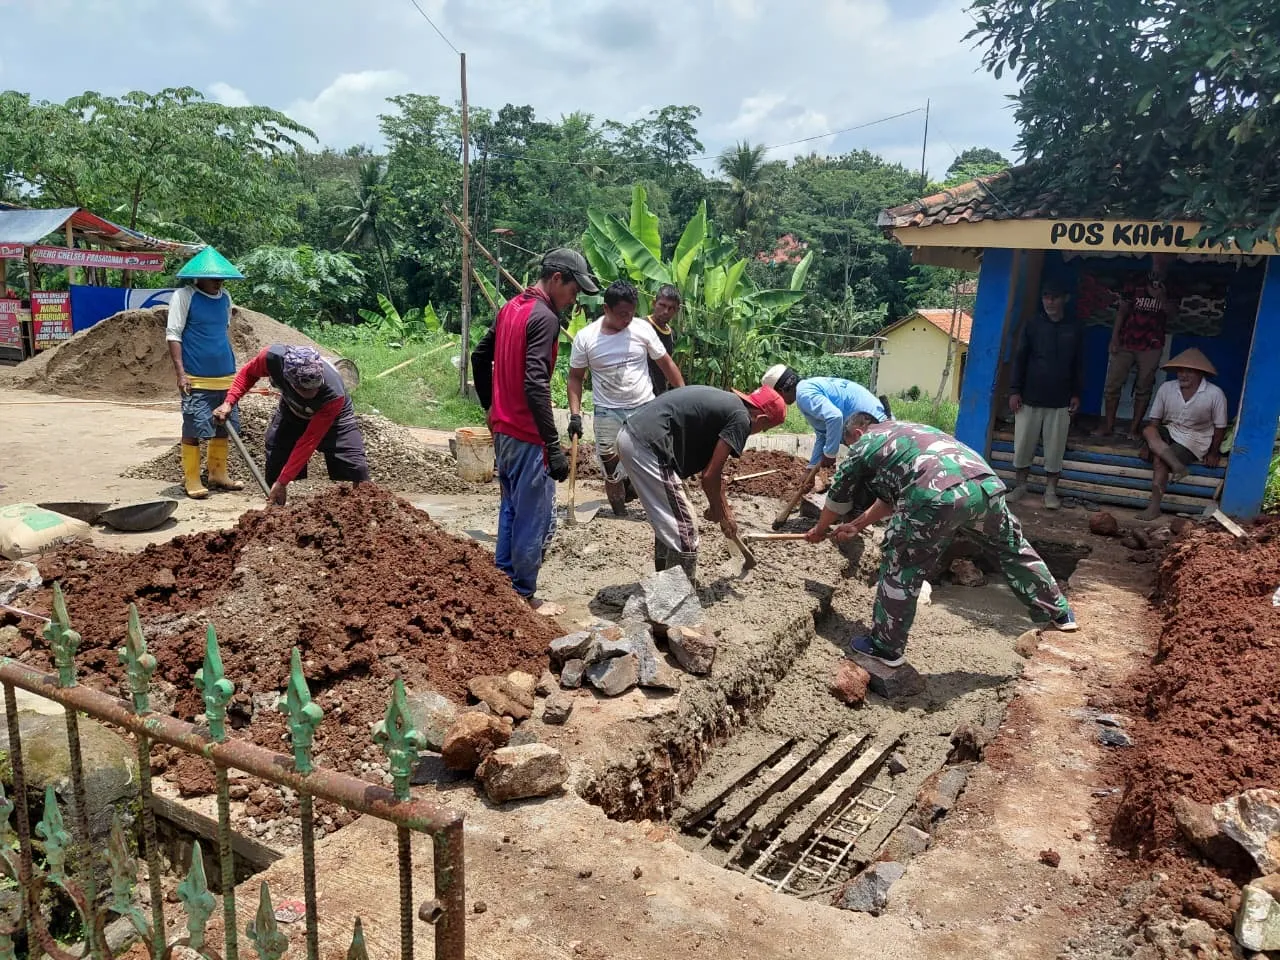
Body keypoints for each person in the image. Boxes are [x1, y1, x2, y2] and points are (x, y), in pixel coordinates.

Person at [804, 416, 1077, 668]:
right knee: (1012, 549)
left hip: (937, 496)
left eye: (847, 441)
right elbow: (889, 498)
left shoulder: (864, 444)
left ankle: (885, 647)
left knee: (901, 563)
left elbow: (837, 498)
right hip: (984, 487)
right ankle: (1059, 613)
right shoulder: (908, 431)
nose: (849, 447)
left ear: (858, 432)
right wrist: (857, 525)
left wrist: (819, 529)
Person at [472, 248, 598, 613]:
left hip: (504, 432)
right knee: (534, 518)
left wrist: (489, 407)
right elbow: (535, 384)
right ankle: (523, 595)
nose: (574, 301)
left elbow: (480, 357)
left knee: (511, 509)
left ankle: (504, 587)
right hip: (528, 435)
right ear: (557, 279)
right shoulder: (544, 318)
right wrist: (553, 445)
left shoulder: (511, 308)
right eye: (574, 291)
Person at [616, 384, 788, 579]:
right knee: (685, 530)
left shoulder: (729, 406)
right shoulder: (742, 419)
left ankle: (663, 585)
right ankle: (675, 603)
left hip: (635, 436)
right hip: (647, 446)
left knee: (672, 519)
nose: (759, 432)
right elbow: (709, 477)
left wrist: (719, 508)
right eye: (764, 429)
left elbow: (713, 473)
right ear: (762, 418)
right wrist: (723, 512)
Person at [567, 280, 685, 515]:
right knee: (611, 469)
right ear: (606, 309)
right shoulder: (586, 337)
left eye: (631, 314)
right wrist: (575, 415)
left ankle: (659, 512)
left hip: (643, 407)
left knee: (655, 463)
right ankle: (620, 515)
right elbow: (575, 378)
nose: (627, 320)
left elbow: (666, 364)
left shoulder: (642, 329)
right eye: (622, 314)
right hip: (607, 412)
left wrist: (683, 395)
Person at [213, 345, 369, 505]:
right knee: (276, 457)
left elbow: (308, 441)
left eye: (316, 388)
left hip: (336, 417)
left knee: (357, 466)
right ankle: (276, 510)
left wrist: (283, 481)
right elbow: (248, 373)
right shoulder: (272, 359)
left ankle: (362, 511)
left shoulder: (333, 395)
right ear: (289, 379)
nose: (312, 394)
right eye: (306, 390)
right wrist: (229, 402)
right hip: (292, 410)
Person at [166, 247, 246, 499]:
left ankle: (217, 473)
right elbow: (173, 334)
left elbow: (223, 330)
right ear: (198, 278)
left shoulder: (225, 298)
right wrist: (181, 373)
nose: (218, 283)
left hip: (225, 374)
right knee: (193, 426)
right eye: (213, 279)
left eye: (221, 279)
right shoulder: (184, 296)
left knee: (225, 425)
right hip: (196, 375)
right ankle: (191, 478)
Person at [1007, 277, 1085, 510]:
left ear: (1065, 299)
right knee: (1023, 446)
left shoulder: (1075, 328)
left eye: (1054, 297)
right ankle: (1020, 486)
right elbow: (1019, 359)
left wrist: (1076, 393)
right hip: (1029, 397)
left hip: (1060, 400)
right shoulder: (1032, 325)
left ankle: (1051, 491)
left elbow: (1079, 364)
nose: (1049, 302)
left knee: (1055, 449)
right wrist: (1014, 390)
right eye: (1046, 297)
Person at [1136, 348, 1228, 521]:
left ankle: (1154, 507)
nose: (1182, 375)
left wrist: (1213, 453)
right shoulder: (1166, 388)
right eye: (1180, 370)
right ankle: (1178, 467)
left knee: (1160, 460)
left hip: (1195, 439)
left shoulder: (1215, 394)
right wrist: (1147, 444)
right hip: (1171, 430)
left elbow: (1220, 427)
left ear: (1200, 373)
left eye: (1189, 371)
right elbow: (1155, 420)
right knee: (1148, 430)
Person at [1095, 254, 1178, 440]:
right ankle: (1108, 425)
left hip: (1152, 343)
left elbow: (1173, 314)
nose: (1160, 261)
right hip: (1126, 340)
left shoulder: (1172, 284)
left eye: (1164, 258)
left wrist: (1162, 298)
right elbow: (1122, 310)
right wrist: (1114, 337)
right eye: (1158, 258)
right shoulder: (1136, 279)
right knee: (1112, 384)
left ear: (1171, 259)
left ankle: (1133, 429)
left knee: (1144, 386)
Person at [761, 364, 890, 470]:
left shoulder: (804, 395)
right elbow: (823, 434)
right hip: (881, 426)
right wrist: (811, 468)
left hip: (875, 430)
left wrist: (830, 453)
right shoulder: (808, 386)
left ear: (781, 391)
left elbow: (834, 417)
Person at [644, 284, 683, 395]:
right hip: (639, 394)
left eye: (671, 308)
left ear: (677, 310)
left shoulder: (670, 333)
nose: (666, 311)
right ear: (654, 303)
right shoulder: (641, 326)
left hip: (658, 393)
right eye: (662, 305)